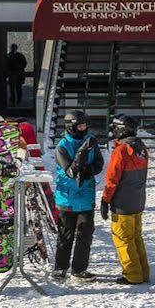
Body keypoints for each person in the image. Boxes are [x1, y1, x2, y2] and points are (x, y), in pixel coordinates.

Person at [50, 111, 105, 282]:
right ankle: (60, 268)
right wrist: (82, 152)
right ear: (71, 126)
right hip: (67, 198)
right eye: (80, 126)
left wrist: (87, 171)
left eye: (85, 126)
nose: (84, 129)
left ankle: (79, 269)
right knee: (66, 235)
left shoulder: (90, 142)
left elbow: (98, 164)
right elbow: (70, 171)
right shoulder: (62, 147)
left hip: (86, 196)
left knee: (85, 235)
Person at [100, 115, 151, 285]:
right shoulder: (141, 148)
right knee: (136, 237)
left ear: (121, 130)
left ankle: (132, 275)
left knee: (123, 239)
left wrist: (105, 200)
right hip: (137, 201)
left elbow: (112, 179)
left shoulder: (121, 150)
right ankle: (143, 272)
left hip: (122, 203)